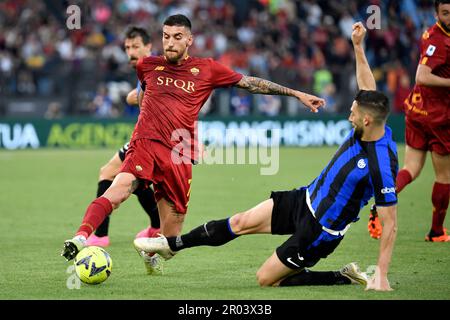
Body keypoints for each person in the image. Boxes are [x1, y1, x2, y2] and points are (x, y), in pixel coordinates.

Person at [134, 22, 398, 291]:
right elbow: (368, 88)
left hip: (320, 230)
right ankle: (170, 245)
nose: (348, 115)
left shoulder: (382, 162)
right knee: (240, 222)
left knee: (266, 280)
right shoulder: (367, 126)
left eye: (353, 112)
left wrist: (382, 275)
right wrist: (357, 46)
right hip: (304, 199)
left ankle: (342, 276)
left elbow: (390, 224)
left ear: (366, 119)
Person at [61, 14, 325, 273]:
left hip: (179, 156)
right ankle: (81, 238)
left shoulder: (207, 69)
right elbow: (143, 95)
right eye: (165, 37)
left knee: (172, 241)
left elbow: (251, 84)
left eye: (177, 37)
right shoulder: (148, 65)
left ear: (189, 40)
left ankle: (150, 250)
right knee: (117, 189)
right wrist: (147, 118)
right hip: (146, 144)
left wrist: (296, 93)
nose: (170, 43)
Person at [368, 0, 450, 242]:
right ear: (436, 13)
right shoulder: (440, 41)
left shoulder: (431, 33)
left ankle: (379, 203)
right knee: (444, 177)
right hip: (438, 117)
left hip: (417, 111)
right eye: (445, 13)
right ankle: (436, 231)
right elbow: (422, 76)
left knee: (411, 169)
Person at [86, 26, 161, 248]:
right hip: (152, 138)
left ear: (148, 46)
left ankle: (100, 235)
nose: (130, 51)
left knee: (108, 172)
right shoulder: (146, 69)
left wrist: (133, 97)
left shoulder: (154, 67)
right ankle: (157, 227)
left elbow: (145, 97)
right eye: (127, 47)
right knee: (137, 183)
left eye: (136, 46)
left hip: (153, 138)